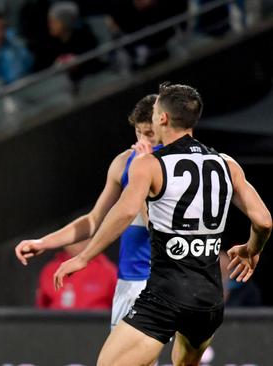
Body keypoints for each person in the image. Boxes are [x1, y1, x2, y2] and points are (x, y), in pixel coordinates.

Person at [54, 83, 272, 365]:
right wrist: (252, 249)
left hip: (166, 295)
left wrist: (84, 257)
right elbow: (264, 221)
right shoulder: (226, 163)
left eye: (155, 112)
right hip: (208, 300)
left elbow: (123, 213)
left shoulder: (149, 165)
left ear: (163, 119)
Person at [16, 94, 159, 328]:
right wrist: (44, 242)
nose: (143, 140)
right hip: (130, 282)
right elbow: (93, 220)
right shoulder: (124, 162)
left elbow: (158, 229)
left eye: (150, 134)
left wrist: (142, 174)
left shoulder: (172, 167)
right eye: (139, 132)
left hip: (162, 281)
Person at [36, 240, 117, 310]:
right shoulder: (50, 270)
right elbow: (42, 306)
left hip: (95, 325)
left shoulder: (107, 270)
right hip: (57, 324)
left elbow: (118, 305)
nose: (79, 243)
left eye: (84, 238)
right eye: (74, 239)